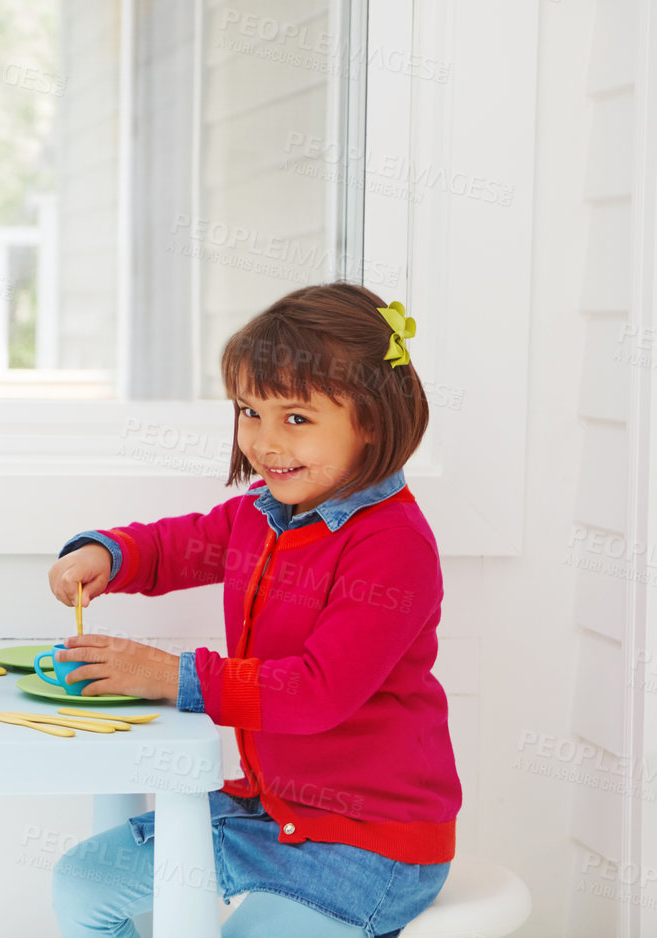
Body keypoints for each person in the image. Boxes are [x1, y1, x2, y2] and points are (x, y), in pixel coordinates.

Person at [46, 283, 459, 938]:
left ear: (372, 421)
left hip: (369, 845)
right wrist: (110, 554)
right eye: (250, 412)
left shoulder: (393, 547)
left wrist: (166, 675)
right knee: (84, 883)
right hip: (268, 813)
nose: (265, 442)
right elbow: (180, 544)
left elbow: (317, 693)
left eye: (296, 418)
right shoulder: (265, 515)